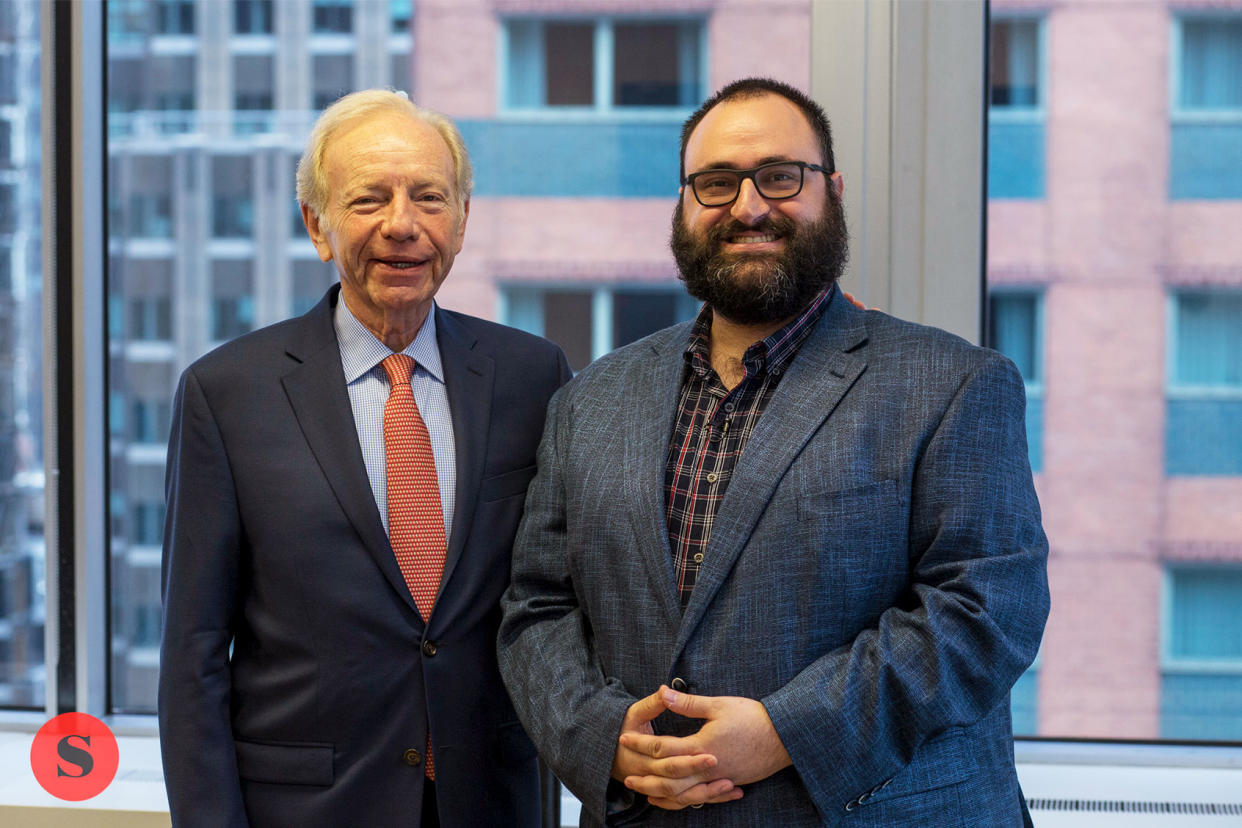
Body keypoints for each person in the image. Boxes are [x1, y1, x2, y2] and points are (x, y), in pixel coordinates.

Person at [498, 77, 1049, 827]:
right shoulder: (589, 400)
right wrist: (602, 739)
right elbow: (537, 607)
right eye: (717, 183)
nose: (749, 206)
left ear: (833, 190)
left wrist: (789, 731)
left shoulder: (954, 384)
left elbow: (985, 612)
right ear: (685, 206)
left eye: (780, 177)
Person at [159, 90, 569, 827]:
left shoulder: (533, 377)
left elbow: (556, 600)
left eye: (429, 197)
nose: (402, 225)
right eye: (368, 199)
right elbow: (192, 657)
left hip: (493, 800)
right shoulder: (225, 394)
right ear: (317, 226)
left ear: (463, 221)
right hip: (307, 807)